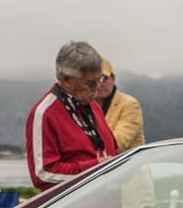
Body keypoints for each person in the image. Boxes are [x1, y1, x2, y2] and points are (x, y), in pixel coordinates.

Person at [28, 41, 117, 190]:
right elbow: (42, 175)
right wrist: (94, 168)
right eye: (90, 82)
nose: (97, 88)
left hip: (108, 207)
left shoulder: (93, 105)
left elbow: (111, 149)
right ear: (66, 79)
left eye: (100, 79)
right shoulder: (45, 113)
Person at [97, 60, 146, 153]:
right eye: (96, 80)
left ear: (113, 79)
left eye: (104, 78)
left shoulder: (130, 105)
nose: (100, 84)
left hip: (129, 166)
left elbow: (119, 143)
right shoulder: (87, 106)